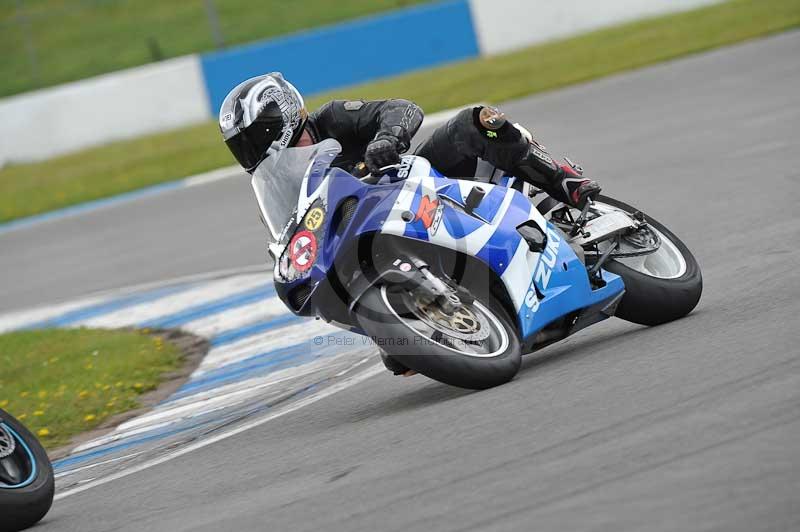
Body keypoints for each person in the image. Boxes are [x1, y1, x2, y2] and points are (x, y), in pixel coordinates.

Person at [219, 72, 600, 208]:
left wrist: (388, 139)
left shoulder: (334, 117)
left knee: (477, 121)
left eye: (251, 139)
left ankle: (561, 178)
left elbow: (402, 108)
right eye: (242, 145)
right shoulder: (278, 181)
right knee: (399, 356)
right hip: (374, 227)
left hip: (420, 186)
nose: (249, 152)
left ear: (277, 118)